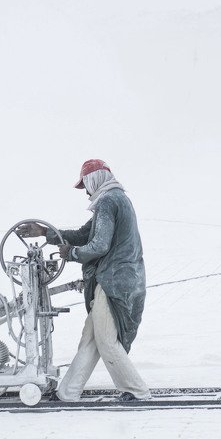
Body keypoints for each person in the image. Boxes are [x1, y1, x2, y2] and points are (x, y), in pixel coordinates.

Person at [17, 159, 151, 402]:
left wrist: (72, 254)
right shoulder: (117, 200)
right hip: (120, 280)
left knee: (106, 340)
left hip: (113, 282)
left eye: (85, 185)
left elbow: (98, 245)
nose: (86, 192)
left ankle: (136, 391)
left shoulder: (109, 201)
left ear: (94, 180)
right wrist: (46, 233)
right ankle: (68, 392)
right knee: (90, 338)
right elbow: (83, 234)